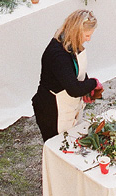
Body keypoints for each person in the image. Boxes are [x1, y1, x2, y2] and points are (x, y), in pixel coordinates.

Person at [32, 9, 103, 141]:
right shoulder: (58, 55)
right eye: (87, 35)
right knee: (59, 145)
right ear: (76, 32)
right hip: (53, 109)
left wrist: (86, 89)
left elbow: (76, 70)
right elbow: (74, 89)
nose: (89, 39)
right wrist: (93, 83)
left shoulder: (71, 43)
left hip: (68, 105)